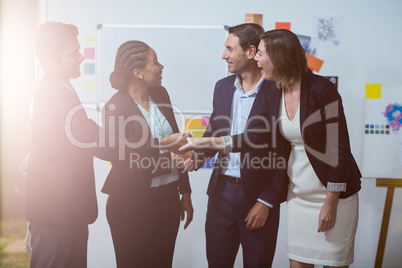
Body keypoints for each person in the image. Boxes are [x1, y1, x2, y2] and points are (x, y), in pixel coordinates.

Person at [181, 29, 362, 268]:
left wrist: (329, 200)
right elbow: (251, 136)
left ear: (276, 56)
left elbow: (335, 147)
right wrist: (199, 148)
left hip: (325, 193)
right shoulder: (262, 89)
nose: (256, 59)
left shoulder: (312, 89)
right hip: (293, 194)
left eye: (261, 53)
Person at [178, 23, 288, 267]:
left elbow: (282, 150)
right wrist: (196, 158)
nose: (223, 55)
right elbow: (215, 129)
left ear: (250, 52)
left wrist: (267, 201)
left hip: (258, 197)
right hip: (221, 194)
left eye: (229, 49)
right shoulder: (223, 87)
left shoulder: (277, 89)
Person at [26, 21, 111, 267]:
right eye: (73, 52)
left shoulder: (61, 87)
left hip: (66, 209)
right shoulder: (53, 94)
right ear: (50, 59)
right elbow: (90, 136)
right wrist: (152, 145)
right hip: (56, 213)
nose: (81, 57)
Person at [101, 40, 193, 268]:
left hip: (168, 201)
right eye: (155, 62)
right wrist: (167, 151)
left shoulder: (161, 94)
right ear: (137, 72)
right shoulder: (115, 107)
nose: (161, 67)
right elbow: (125, 162)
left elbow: (177, 145)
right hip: (130, 205)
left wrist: (186, 192)